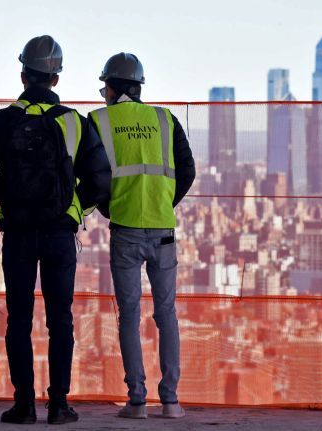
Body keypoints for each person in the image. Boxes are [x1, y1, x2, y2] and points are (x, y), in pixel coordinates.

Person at [0, 35, 111, 425]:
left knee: (19, 319)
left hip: (20, 234)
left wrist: (8, 193)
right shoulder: (76, 123)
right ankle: (59, 405)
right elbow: (99, 181)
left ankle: (23, 404)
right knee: (60, 318)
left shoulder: (3, 122)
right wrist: (74, 209)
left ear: (23, 75)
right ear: (55, 79)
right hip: (61, 234)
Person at [88, 53, 195, 419]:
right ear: (139, 87)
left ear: (112, 87)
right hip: (163, 228)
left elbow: (94, 178)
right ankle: (171, 402)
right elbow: (187, 169)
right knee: (167, 315)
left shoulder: (99, 120)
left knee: (129, 316)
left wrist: (111, 209)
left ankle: (136, 401)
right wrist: (165, 202)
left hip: (126, 230)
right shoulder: (165, 118)